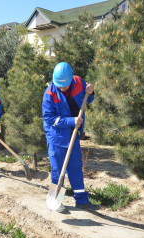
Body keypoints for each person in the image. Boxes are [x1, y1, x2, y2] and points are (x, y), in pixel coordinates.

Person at [42, 62, 98, 213]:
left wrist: (91, 92)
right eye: (59, 85)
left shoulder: (79, 82)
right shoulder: (49, 95)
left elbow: (88, 99)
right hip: (56, 136)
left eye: (64, 85)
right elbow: (50, 119)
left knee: (75, 167)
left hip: (73, 132)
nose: (62, 88)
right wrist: (71, 121)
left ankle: (82, 201)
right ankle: (56, 201)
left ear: (71, 80)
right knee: (57, 169)